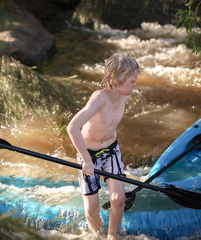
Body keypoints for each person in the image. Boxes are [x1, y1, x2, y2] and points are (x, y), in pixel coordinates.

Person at [67, 53, 140, 240]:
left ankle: (111, 236)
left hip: (111, 151)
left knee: (118, 199)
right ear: (118, 79)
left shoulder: (124, 97)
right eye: (132, 81)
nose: (135, 85)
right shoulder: (99, 98)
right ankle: (97, 235)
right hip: (89, 155)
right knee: (92, 211)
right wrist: (86, 160)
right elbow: (73, 127)